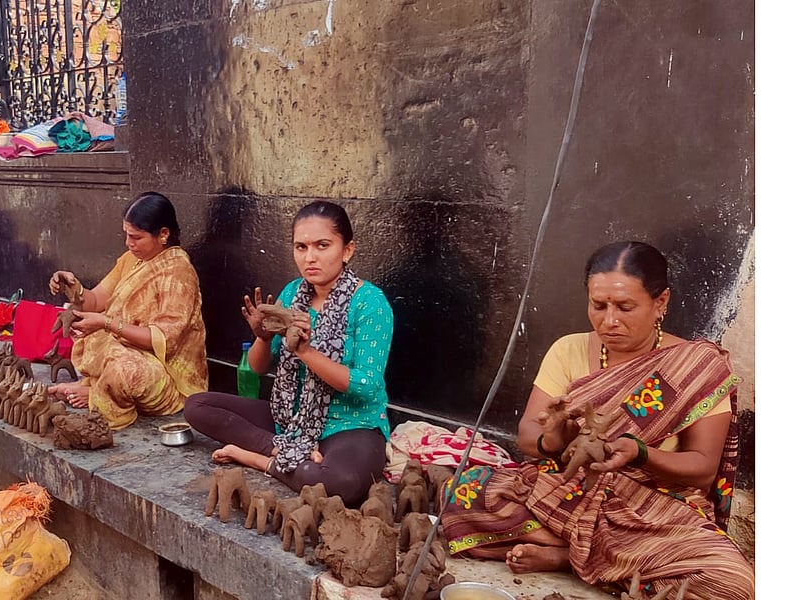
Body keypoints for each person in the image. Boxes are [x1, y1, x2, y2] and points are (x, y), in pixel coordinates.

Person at [438, 241, 754, 599]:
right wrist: (555, 435)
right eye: (598, 305)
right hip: (569, 491)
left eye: (625, 307)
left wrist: (639, 453)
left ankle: (570, 555)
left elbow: (702, 468)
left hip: (652, 511)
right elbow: (529, 438)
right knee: (461, 493)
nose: (609, 320)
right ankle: (591, 555)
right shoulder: (568, 349)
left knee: (731, 583)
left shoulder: (697, 366)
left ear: (661, 303)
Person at [183, 201, 394, 507]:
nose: (310, 257)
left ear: (347, 250)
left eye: (322, 246)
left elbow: (365, 385)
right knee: (196, 405)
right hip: (290, 418)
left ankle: (258, 459)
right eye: (301, 246)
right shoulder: (292, 293)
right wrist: (262, 338)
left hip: (349, 422)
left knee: (342, 484)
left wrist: (306, 351)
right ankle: (282, 450)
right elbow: (257, 368)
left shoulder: (370, 303)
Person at [46, 192, 208, 430]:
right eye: (126, 235)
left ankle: (97, 397)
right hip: (127, 351)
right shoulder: (131, 260)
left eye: (136, 237)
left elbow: (162, 340)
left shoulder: (179, 273)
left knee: (123, 369)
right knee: (104, 342)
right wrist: (74, 290)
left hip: (165, 376)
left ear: (163, 234)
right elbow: (97, 299)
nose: (128, 243)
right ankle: (98, 388)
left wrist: (106, 323)